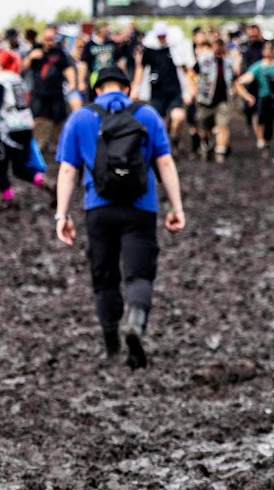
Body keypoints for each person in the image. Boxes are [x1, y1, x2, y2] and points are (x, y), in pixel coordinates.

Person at [53, 64, 186, 368]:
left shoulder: (81, 117)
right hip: (141, 207)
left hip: (98, 208)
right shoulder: (148, 115)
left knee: (104, 277)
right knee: (139, 273)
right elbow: (164, 164)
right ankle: (136, 322)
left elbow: (68, 170)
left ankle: (111, 342)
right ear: (126, 88)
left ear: (97, 89)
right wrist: (176, 208)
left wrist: (62, 215)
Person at [0, 48, 50, 204]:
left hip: (5, 130)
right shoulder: (17, 79)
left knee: (1, 167)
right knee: (20, 168)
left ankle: (7, 199)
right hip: (24, 126)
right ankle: (48, 184)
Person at [27, 25, 80, 167]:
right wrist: (30, 57)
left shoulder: (59, 52)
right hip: (39, 92)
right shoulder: (34, 49)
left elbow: (67, 67)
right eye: (46, 38)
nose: (48, 42)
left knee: (59, 119)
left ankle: (57, 146)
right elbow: (22, 67)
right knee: (39, 120)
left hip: (56, 92)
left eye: (51, 39)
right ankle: (39, 146)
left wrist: (73, 84)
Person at [236, 41, 274, 152]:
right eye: (266, 50)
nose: (268, 53)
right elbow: (240, 81)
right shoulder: (258, 66)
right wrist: (247, 96)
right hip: (265, 97)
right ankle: (262, 140)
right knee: (261, 120)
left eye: (270, 50)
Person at [190, 32, 239, 162]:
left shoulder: (228, 62)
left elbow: (233, 78)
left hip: (223, 99)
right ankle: (206, 146)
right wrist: (193, 88)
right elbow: (192, 74)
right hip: (205, 100)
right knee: (204, 127)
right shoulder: (203, 61)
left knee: (222, 125)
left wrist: (234, 89)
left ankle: (220, 153)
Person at [135, 23, 188, 141]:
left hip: (174, 89)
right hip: (157, 91)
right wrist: (136, 88)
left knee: (178, 117)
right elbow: (141, 69)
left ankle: (175, 137)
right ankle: (165, 146)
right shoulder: (149, 49)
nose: (162, 38)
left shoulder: (174, 47)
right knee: (159, 123)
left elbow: (185, 68)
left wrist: (190, 88)